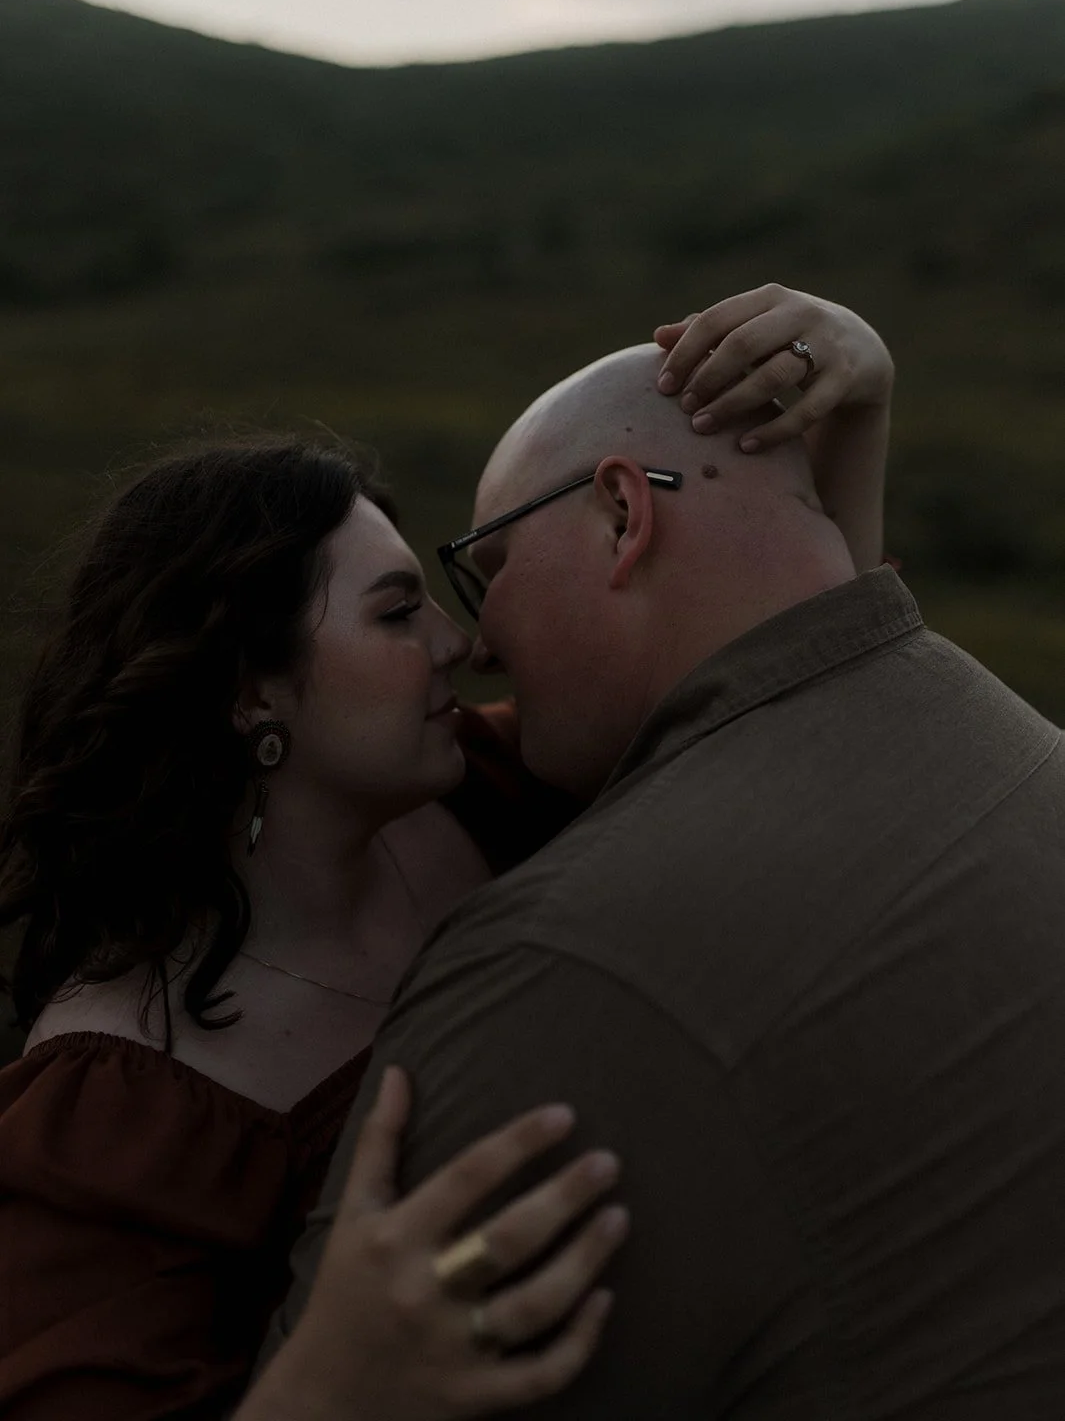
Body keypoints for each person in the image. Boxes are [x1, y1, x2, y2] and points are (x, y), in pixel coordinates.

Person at [0, 285, 894, 1418]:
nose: (460, 643)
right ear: (250, 690)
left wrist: (857, 409)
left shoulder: (495, 789)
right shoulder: (120, 1105)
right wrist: (332, 1382)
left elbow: (799, 691)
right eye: (394, 613)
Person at [255, 310, 1065, 1418]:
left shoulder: (557, 965)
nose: (477, 644)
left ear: (622, 514)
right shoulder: (1016, 751)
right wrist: (856, 419)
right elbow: (804, 625)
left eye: (489, 570)